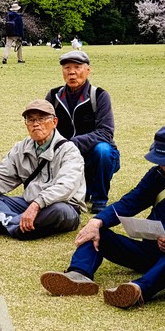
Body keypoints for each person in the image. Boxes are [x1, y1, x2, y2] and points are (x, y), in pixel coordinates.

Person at [40, 125, 165, 307]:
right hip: (150, 249)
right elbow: (130, 202)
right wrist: (97, 221)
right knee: (97, 231)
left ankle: (138, 290)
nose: (164, 166)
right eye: (161, 161)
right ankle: (78, 274)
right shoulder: (157, 174)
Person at [0, 99, 85, 240]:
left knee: (60, 211)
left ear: (54, 122)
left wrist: (37, 204)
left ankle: (1, 226)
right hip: (28, 203)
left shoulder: (69, 151)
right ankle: (19, 226)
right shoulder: (21, 148)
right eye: (31, 120)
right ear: (26, 124)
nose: (36, 124)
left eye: (41, 119)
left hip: (61, 205)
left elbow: (66, 186)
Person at [46, 50, 120, 213]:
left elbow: (106, 133)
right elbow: (46, 129)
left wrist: (71, 143)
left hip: (94, 157)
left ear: (88, 70)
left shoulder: (99, 96)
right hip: (66, 158)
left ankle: (99, 200)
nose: (72, 72)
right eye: (67, 68)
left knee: (103, 150)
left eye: (77, 67)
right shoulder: (53, 96)